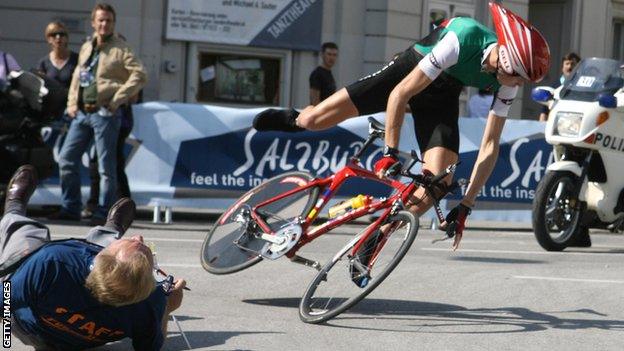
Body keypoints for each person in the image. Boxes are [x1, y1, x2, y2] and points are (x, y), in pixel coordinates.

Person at [253, 2, 550, 250]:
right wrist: (390, 152)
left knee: (439, 183)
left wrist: (467, 204)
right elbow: (400, 93)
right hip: (409, 71)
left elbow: (490, 145)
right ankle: (296, 118)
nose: (519, 86)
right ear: (507, 62)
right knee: (315, 121)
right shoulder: (464, 37)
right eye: (519, 78)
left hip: (442, 96)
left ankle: (378, 236)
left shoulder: (507, 80)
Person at [2, 165, 186, 350]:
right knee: (116, 255)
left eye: (137, 243)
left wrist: (6, 337)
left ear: (98, 259)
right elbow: (150, 347)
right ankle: (112, 229)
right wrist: (166, 308)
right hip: (84, 340)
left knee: (25, 237)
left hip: (33, 330)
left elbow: (5, 299)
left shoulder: (53, 263)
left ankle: (14, 208)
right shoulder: (151, 301)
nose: (139, 237)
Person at [52, 3, 147, 224]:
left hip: (106, 113)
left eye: (109, 21)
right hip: (83, 113)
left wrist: (117, 99)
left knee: (106, 167)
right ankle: (70, 207)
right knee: (67, 159)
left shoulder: (121, 48)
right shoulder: (87, 46)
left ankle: (104, 212)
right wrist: (72, 102)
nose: (104, 24)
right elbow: (78, 74)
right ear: (94, 22)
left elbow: (140, 75)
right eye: (101, 20)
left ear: (113, 24)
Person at [37, 21, 79, 99]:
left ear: (67, 38)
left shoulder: (77, 59)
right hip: (50, 106)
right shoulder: (43, 63)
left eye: (62, 34)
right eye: (53, 34)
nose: (58, 37)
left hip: (71, 105)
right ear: (48, 39)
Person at [538, 52, 581, 121]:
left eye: (572, 64)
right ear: (562, 68)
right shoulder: (554, 87)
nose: (569, 67)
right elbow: (544, 113)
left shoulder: (583, 88)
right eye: (567, 64)